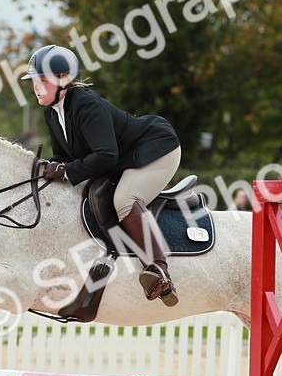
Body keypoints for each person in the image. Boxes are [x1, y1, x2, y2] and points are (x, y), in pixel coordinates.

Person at [23, 44, 181, 306]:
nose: (36, 88)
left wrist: (65, 171)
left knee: (124, 200)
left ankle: (159, 270)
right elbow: (66, 158)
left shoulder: (85, 104)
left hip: (156, 150)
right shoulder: (52, 112)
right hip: (124, 159)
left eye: (41, 80)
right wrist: (40, 167)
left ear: (64, 79)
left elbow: (106, 155)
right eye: (33, 82)